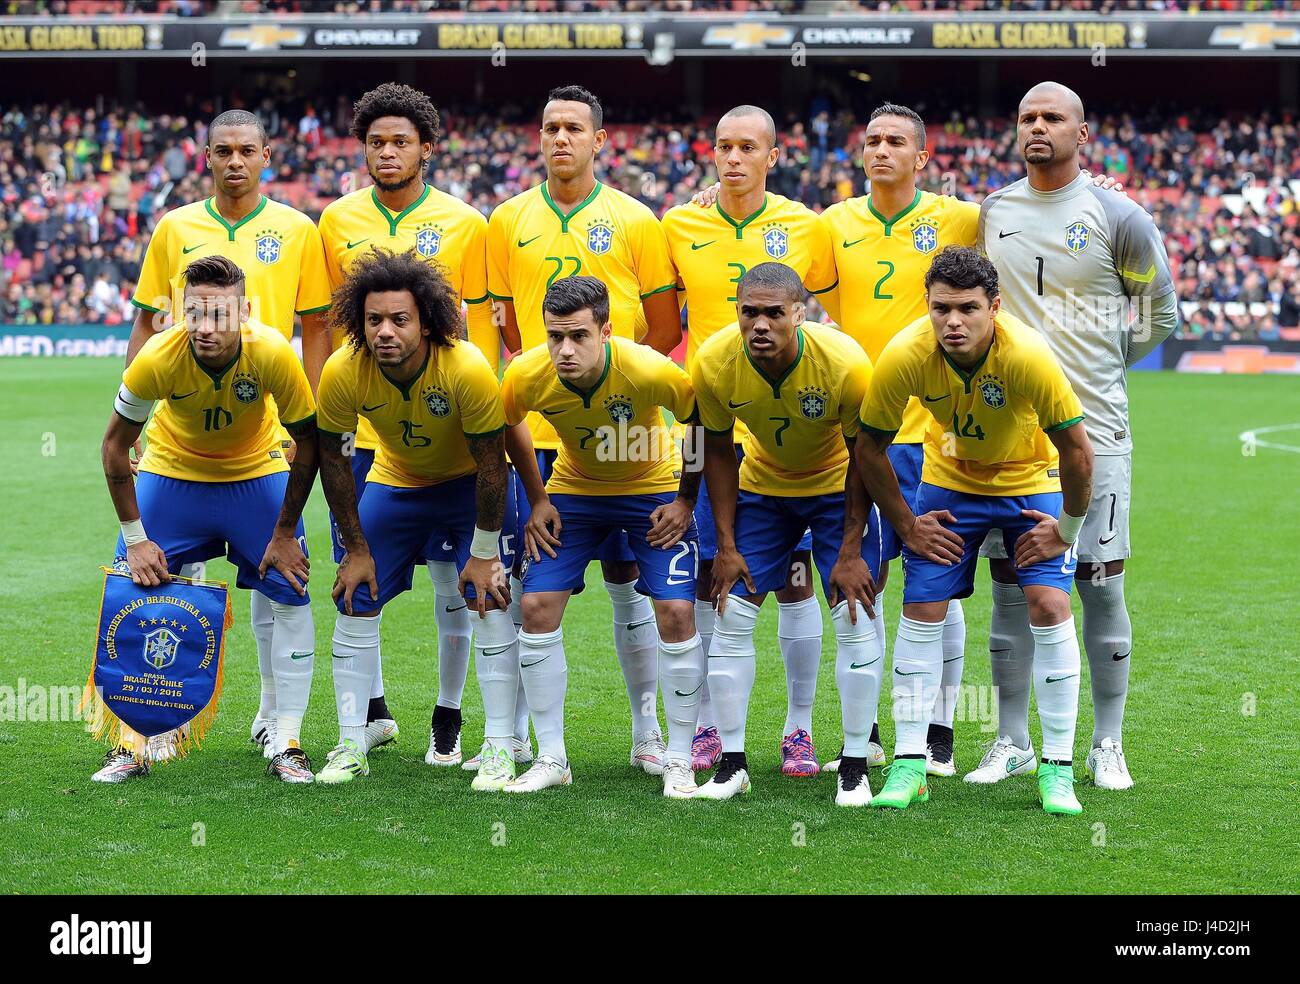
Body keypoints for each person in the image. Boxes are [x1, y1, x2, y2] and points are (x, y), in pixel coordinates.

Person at [976, 82, 1178, 791]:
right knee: (1009, 584)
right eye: (1027, 116)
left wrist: (1102, 367)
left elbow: (1158, 316)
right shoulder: (994, 209)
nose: (1038, 127)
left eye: (1053, 117)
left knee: (1098, 582)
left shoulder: (1118, 215)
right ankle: (1010, 740)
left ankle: (1107, 743)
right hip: (1011, 436)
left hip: (1095, 430)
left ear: (1081, 133)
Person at [315, 82, 511, 770]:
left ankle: (450, 717)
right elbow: (323, 323)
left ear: (427, 148)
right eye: (376, 141)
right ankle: (367, 720)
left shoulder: (465, 222)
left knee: (453, 582)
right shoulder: (335, 219)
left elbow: (482, 320)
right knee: (357, 573)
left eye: (401, 141)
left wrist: (469, 396)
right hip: (371, 436)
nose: (388, 152)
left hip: (452, 426)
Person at [856, 246, 1093, 816]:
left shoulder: (1028, 355)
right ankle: (911, 765)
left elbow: (1079, 453)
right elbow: (867, 448)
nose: (952, 322)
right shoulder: (907, 353)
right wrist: (907, 525)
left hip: (1029, 480)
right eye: (941, 309)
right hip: (951, 484)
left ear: (995, 306)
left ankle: (1056, 768)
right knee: (921, 609)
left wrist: (1067, 527)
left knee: (1049, 605)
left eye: (967, 309)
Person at [486, 84, 682, 775]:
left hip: (628, 433)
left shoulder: (636, 220)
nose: (559, 138)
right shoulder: (505, 220)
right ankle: (509, 737)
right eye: (549, 128)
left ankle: (648, 734)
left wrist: (615, 381)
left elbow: (661, 329)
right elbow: (505, 324)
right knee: (528, 585)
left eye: (573, 128)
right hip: (540, 436)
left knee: (633, 578)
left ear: (601, 140)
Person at [125, 109, 331, 757]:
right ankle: (166, 712)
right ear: (205, 156)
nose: (235, 161)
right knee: (167, 576)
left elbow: (317, 329)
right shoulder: (173, 227)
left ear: (267, 155)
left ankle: (275, 715)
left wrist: (313, 419)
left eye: (248, 150)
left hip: (264, 435)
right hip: (180, 436)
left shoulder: (298, 230)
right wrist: (134, 419)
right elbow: (146, 322)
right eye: (223, 151)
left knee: (276, 577)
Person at [662, 105, 841, 778]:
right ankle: (708, 723)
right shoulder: (678, 222)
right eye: (723, 146)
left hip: (786, 426)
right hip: (705, 419)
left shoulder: (805, 226)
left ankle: (799, 730)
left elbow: (826, 311)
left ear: (773, 155)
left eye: (748, 148)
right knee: (714, 573)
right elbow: (660, 319)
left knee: (795, 582)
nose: (733, 158)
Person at [97, 255, 319, 784]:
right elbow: (112, 447)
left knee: (291, 583)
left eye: (219, 315)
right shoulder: (158, 355)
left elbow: (311, 445)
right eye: (194, 313)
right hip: (174, 474)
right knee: (133, 583)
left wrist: (286, 532)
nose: (205, 327)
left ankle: (285, 738)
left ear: (243, 311)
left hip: (255, 473)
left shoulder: (272, 353)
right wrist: (135, 540)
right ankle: (135, 739)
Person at [820, 102, 979, 777]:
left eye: (895, 142)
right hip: (863, 430)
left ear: (922, 155)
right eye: (871, 141)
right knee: (865, 577)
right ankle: (871, 732)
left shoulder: (961, 219)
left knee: (936, 574)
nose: (880, 151)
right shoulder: (832, 224)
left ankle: (940, 733)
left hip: (937, 430)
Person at [501, 276, 705, 796]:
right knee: (536, 608)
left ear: (606, 331)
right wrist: (538, 497)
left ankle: (672, 753)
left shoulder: (646, 368)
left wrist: (684, 500)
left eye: (578, 336)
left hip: (652, 489)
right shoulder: (526, 373)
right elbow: (508, 423)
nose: (564, 350)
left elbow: (701, 423)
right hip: (575, 491)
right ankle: (551, 758)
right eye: (554, 337)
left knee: (678, 612)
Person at [690, 262, 881, 806]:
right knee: (732, 616)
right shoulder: (713, 364)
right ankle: (732, 764)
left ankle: (853, 763)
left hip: (834, 489)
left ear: (801, 313)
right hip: (764, 490)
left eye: (775, 313)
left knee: (852, 612)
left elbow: (864, 458)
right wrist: (725, 546)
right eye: (749, 312)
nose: (761, 325)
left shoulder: (844, 364)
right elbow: (718, 452)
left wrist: (849, 548)